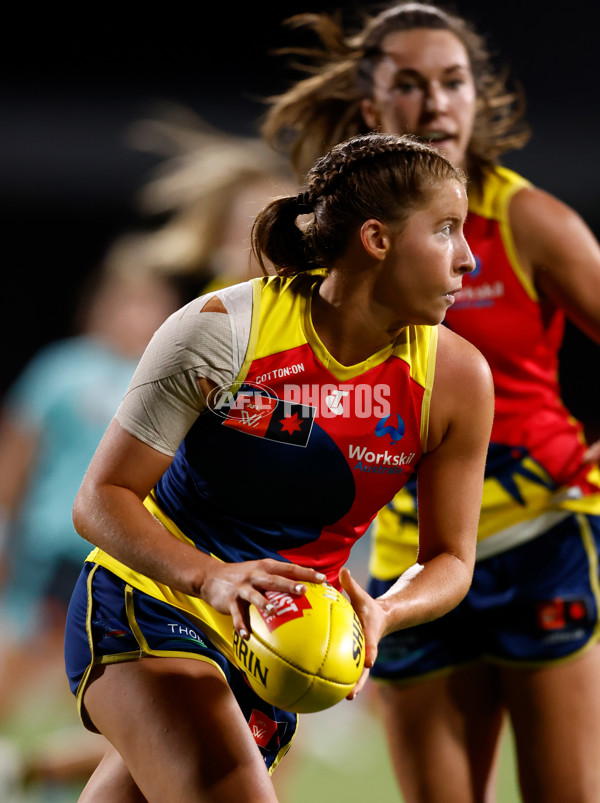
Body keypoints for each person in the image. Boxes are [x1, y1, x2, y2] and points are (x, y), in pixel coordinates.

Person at [63, 132, 494, 803]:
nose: (468, 258)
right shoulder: (220, 330)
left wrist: (382, 611)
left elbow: (450, 559)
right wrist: (209, 577)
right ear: (377, 239)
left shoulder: (458, 378)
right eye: (446, 230)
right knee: (230, 786)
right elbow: (99, 499)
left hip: (279, 641)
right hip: (153, 599)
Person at [262, 4, 600, 802]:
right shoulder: (347, 239)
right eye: (409, 85)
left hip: (537, 539)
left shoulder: (528, 223)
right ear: (373, 108)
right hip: (403, 574)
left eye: (453, 82)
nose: (437, 102)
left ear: (478, 99)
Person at [0, 264, 181, 796]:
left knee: (105, 674)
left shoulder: (168, 374)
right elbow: (18, 455)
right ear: (100, 309)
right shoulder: (63, 369)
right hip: (57, 542)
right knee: (30, 650)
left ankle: (54, 769)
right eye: (126, 303)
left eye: (149, 305)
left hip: (130, 550)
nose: (137, 316)